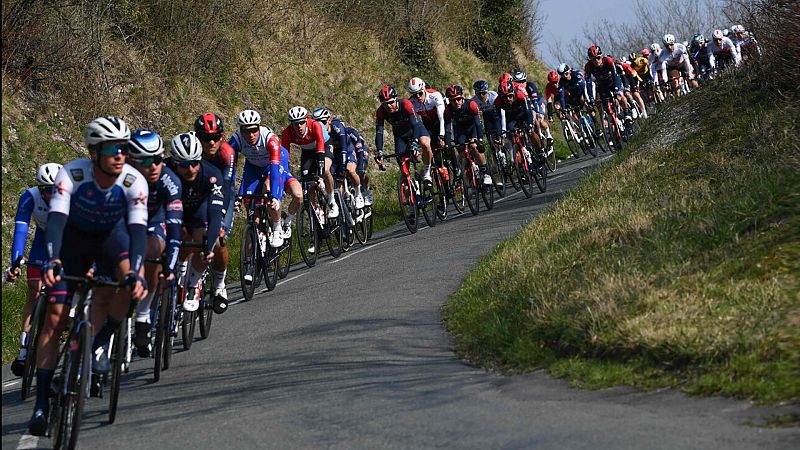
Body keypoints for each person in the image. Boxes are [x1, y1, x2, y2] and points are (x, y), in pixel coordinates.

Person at [29, 116, 148, 436]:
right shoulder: (73, 173)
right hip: (72, 243)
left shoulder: (133, 181)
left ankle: (99, 342)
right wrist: (53, 259)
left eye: (123, 148)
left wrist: (136, 272)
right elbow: (55, 220)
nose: (120, 154)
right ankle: (41, 403)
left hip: (112, 241)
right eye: (112, 148)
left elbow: (137, 232)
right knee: (54, 316)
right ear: (94, 152)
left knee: (129, 285)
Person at [126, 129, 184, 356]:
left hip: (154, 221)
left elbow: (175, 228)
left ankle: (142, 316)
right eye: (146, 161)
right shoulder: (121, 177)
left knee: (154, 250)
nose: (154, 166)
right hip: (125, 219)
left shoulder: (170, 181)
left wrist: (170, 267)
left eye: (159, 159)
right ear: (132, 161)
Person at [5, 163, 62, 376]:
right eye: (47, 191)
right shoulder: (29, 197)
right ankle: (23, 349)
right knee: (33, 292)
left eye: (56, 190)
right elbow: (20, 231)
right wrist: (16, 261)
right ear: (39, 189)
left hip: (66, 240)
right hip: (42, 242)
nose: (52, 195)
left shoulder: (72, 195)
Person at [166, 132, 226, 313]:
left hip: (199, 211)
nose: (190, 169)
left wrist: (208, 248)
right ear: (175, 162)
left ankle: (193, 285)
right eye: (184, 165)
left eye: (194, 163)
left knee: (208, 241)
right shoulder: (164, 171)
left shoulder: (212, 175)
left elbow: (215, 214)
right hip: (172, 210)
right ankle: (177, 271)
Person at [195, 113, 235, 309]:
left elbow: (226, 187)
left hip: (222, 194)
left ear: (222, 136)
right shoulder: (192, 151)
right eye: (205, 138)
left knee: (219, 240)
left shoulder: (227, 152)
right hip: (198, 195)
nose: (211, 142)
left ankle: (219, 283)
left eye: (216, 137)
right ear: (197, 137)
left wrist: (218, 221)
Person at [280, 106, 339, 218]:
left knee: (325, 170)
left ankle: (332, 202)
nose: (299, 126)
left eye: (301, 122)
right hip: (307, 151)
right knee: (307, 182)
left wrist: (321, 177)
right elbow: (285, 157)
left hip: (323, 146)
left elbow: (321, 148)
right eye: (295, 123)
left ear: (306, 120)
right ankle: (316, 210)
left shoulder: (315, 125)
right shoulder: (287, 133)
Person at [312, 107, 365, 209]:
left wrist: (344, 164)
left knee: (350, 170)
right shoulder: (317, 132)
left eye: (323, 122)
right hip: (333, 154)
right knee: (332, 179)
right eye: (317, 123)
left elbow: (344, 146)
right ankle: (342, 208)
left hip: (347, 150)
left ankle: (358, 194)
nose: (321, 126)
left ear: (329, 121)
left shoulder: (337, 126)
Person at [373, 85, 430, 172]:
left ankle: (427, 172)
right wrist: (379, 150)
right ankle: (408, 182)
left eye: (391, 102)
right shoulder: (380, 111)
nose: (388, 106)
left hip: (415, 128)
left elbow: (415, 124)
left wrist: (415, 143)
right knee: (402, 163)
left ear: (396, 99)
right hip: (400, 135)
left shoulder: (405, 104)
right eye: (385, 104)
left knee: (425, 144)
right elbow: (379, 132)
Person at [443, 84, 491, 186]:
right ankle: (468, 174)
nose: (456, 102)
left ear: (462, 97)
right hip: (460, 131)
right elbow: (447, 130)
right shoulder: (448, 110)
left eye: (458, 99)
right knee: (461, 153)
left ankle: (486, 172)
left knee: (474, 146)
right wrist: (447, 145)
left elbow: (478, 124)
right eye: (453, 100)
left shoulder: (471, 105)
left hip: (473, 128)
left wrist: (480, 141)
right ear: (449, 101)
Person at [406, 77, 442, 184]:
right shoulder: (411, 102)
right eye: (414, 95)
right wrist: (415, 143)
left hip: (439, 122)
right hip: (427, 124)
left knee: (446, 146)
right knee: (431, 150)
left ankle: (456, 169)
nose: (418, 97)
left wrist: (443, 135)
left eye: (420, 94)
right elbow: (414, 124)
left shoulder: (434, 95)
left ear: (424, 89)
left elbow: (442, 117)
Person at [584, 44, 632, 121]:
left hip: (613, 80)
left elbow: (615, 75)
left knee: (620, 95)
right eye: (593, 59)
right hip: (602, 85)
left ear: (602, 56)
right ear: (590, 60)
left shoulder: (608, 60)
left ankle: (626, 113)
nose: (596, 61)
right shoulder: (588, 66)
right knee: (605, 105)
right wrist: (591, 98)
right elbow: (588, 82)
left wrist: (616, 90)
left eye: (598, 58)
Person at [511, 69, 554, 149]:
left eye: (523, 81)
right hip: (528, 104)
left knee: (539, 120)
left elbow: (534, 102)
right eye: (518, 82)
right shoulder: (514, 89)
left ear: (526, 80)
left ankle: (548, 135)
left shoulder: (530, 86)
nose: (521, 84)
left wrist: (537, 114)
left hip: (538, 101)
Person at [346, 125, 374, 206]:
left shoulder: (350, 132)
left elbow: (360, 150)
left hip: (360, 150)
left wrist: (361, 166)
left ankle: (366, 190)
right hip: (349, 151)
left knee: (360, 171)